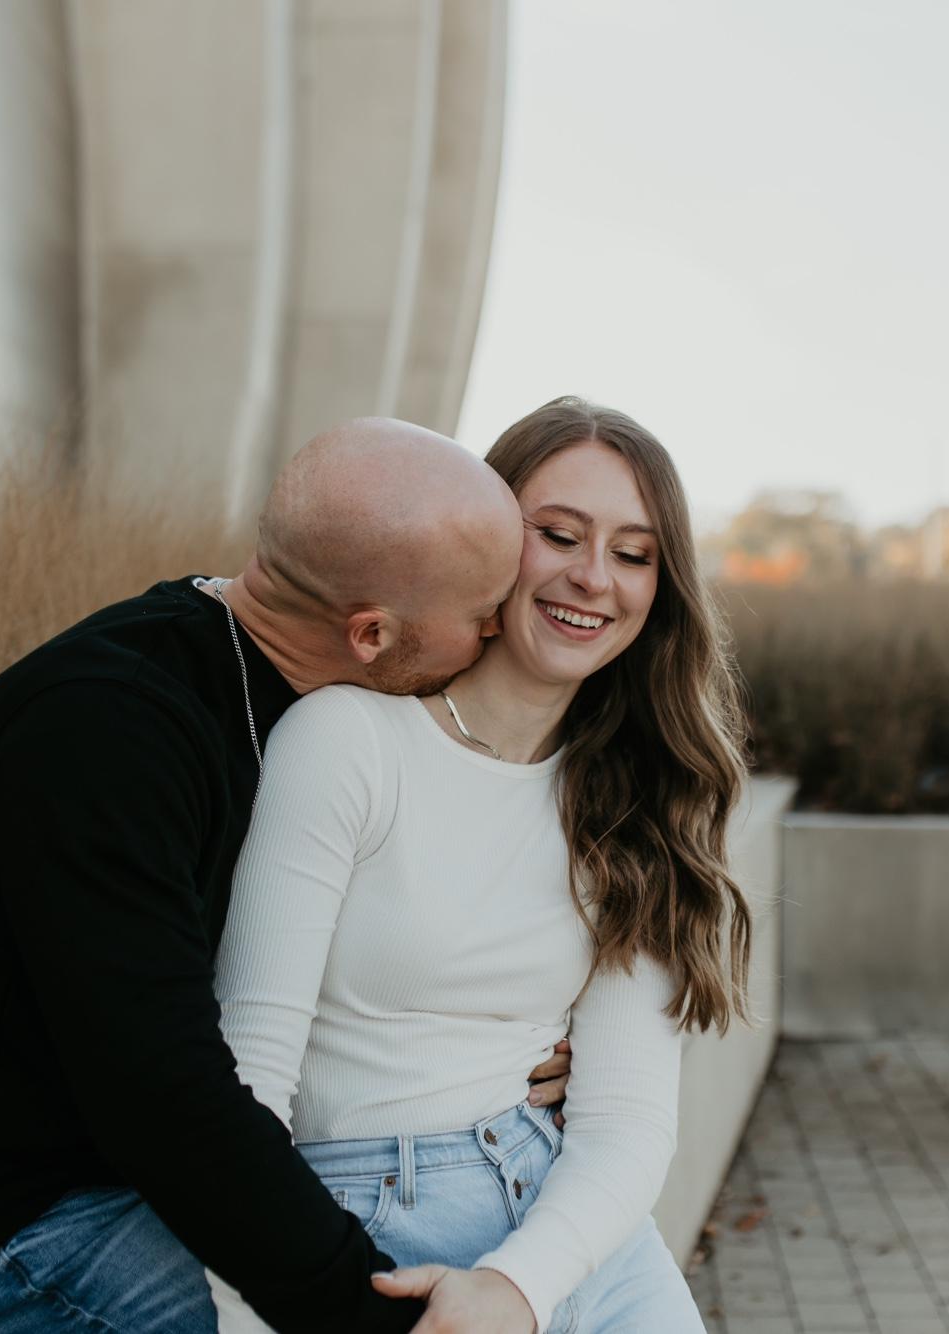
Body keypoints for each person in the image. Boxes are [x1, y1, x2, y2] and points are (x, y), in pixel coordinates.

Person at [0, 417, 577, 1334]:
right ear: (373, 633)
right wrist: (371, 1314)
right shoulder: (103, 732)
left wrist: (535, 1045)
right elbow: (162, 1093)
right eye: (482, 613)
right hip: (20, 1225)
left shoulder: (311, 697)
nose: (499, 630)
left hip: (168, 1170)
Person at [209, 397, 752, 1333]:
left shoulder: (640, 798)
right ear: (491, 539)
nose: (593, 578)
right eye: (559, 536)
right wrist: (247, 1302)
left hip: (579, 1236)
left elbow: (625, 1119)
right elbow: (248, 1074)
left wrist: (519, 1286)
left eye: (633, 554)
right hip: (373, 1225)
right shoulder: (349, 744)